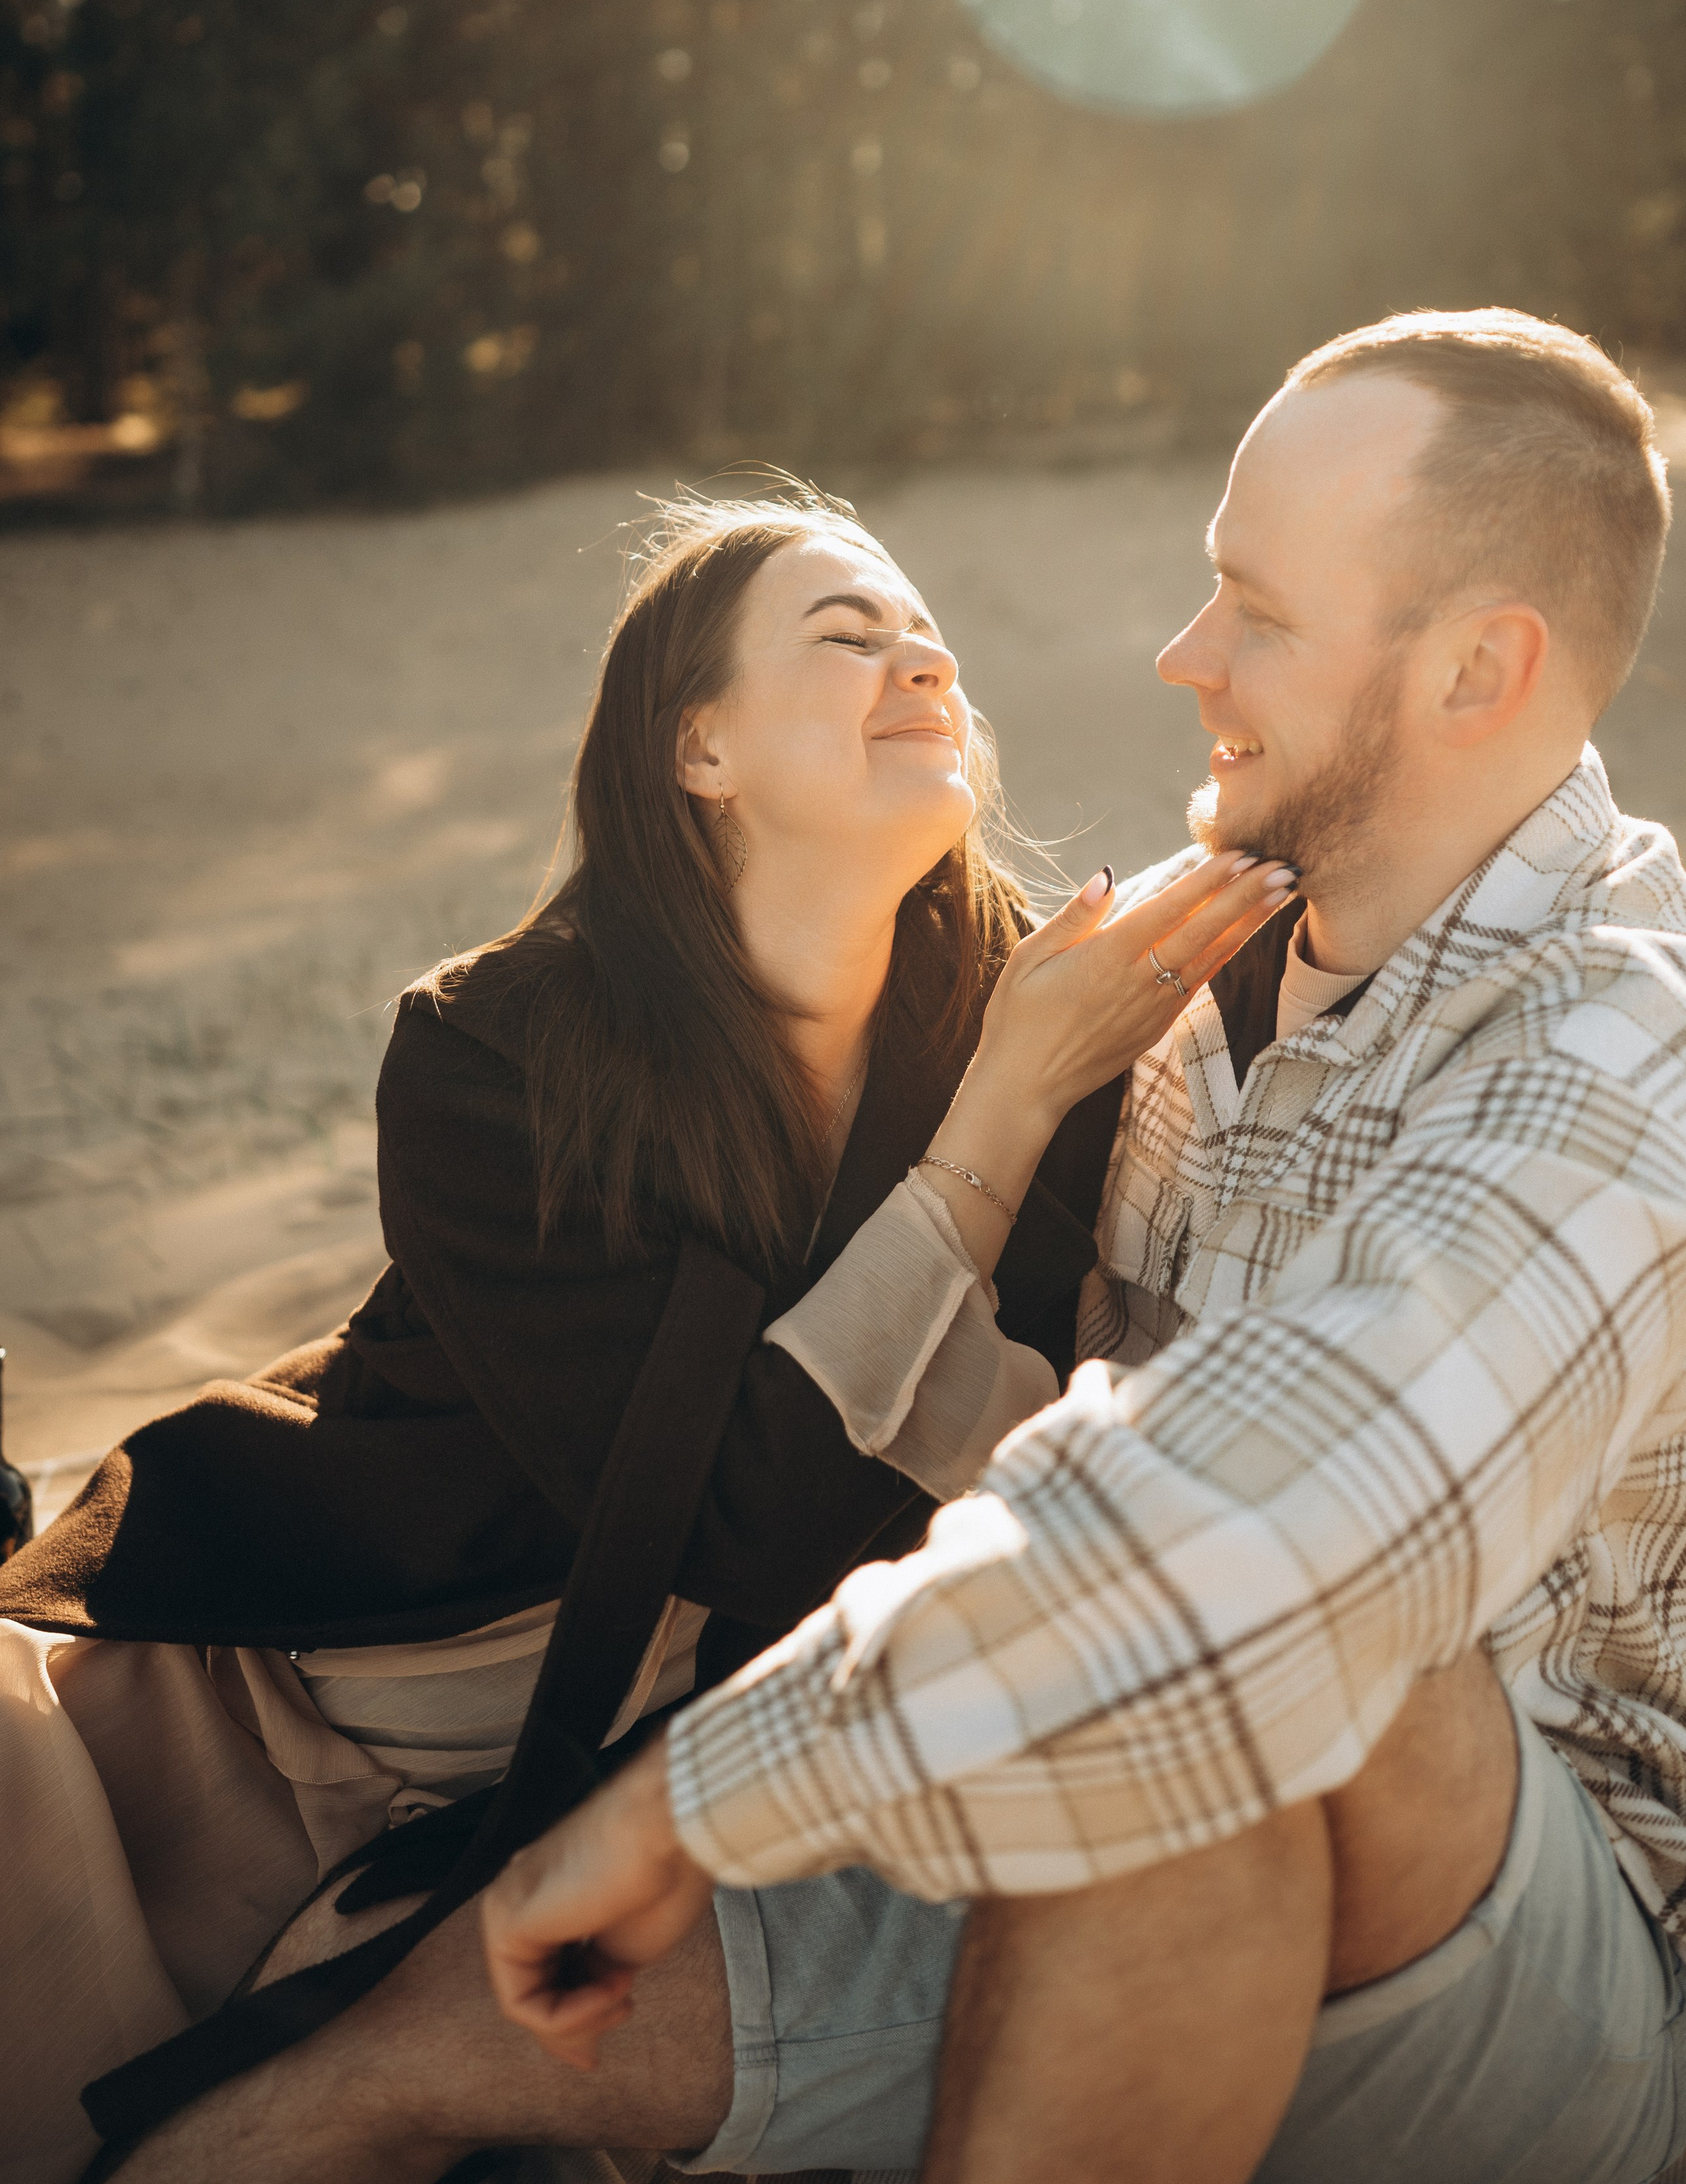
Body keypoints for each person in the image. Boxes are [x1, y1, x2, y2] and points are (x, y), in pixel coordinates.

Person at [92, 306, 1686, 2184]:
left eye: (1254, 610)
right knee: (409, 2047)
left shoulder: (1623, 1037)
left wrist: (696, 1800)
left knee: (1259, 1669)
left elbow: (1287, 1518)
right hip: (1094, 1783)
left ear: (1477, 667)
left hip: (1540, 1951)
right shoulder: (1167, 1009)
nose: (1182, 654)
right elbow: (995, 1448)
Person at [0, 487, 1282, 2183]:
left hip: (636, 1789)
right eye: (846, 633)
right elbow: (731, 1515)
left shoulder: (1043, 1015)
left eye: (929, 637)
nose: (921, 659)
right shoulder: (496, 1053)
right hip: (273, 1701)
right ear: (698, 749)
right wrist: (1002, 1104)